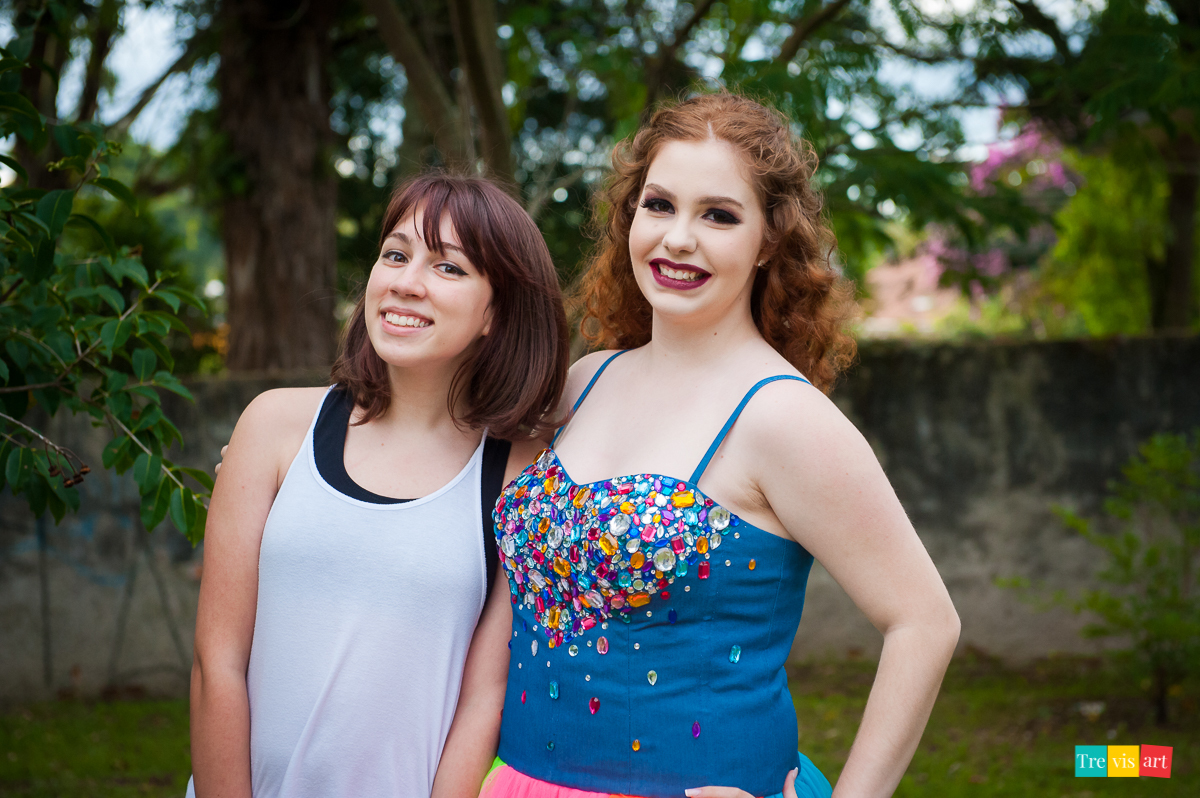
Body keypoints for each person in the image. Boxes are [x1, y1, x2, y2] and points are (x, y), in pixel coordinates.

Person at [467, 92, 961, 798]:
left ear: (768, 241)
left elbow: (924, 621)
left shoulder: (782, 417)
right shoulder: (582, 382)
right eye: (659, 205)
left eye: (719, 215)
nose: (677, 239)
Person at [187, 173, 568, 798]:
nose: (405, 281)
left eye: (449, 268)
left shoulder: (520, 471)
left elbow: (484, 698)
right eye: (395, 254)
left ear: (494, 315)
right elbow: (217, 664)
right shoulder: (276, 426)